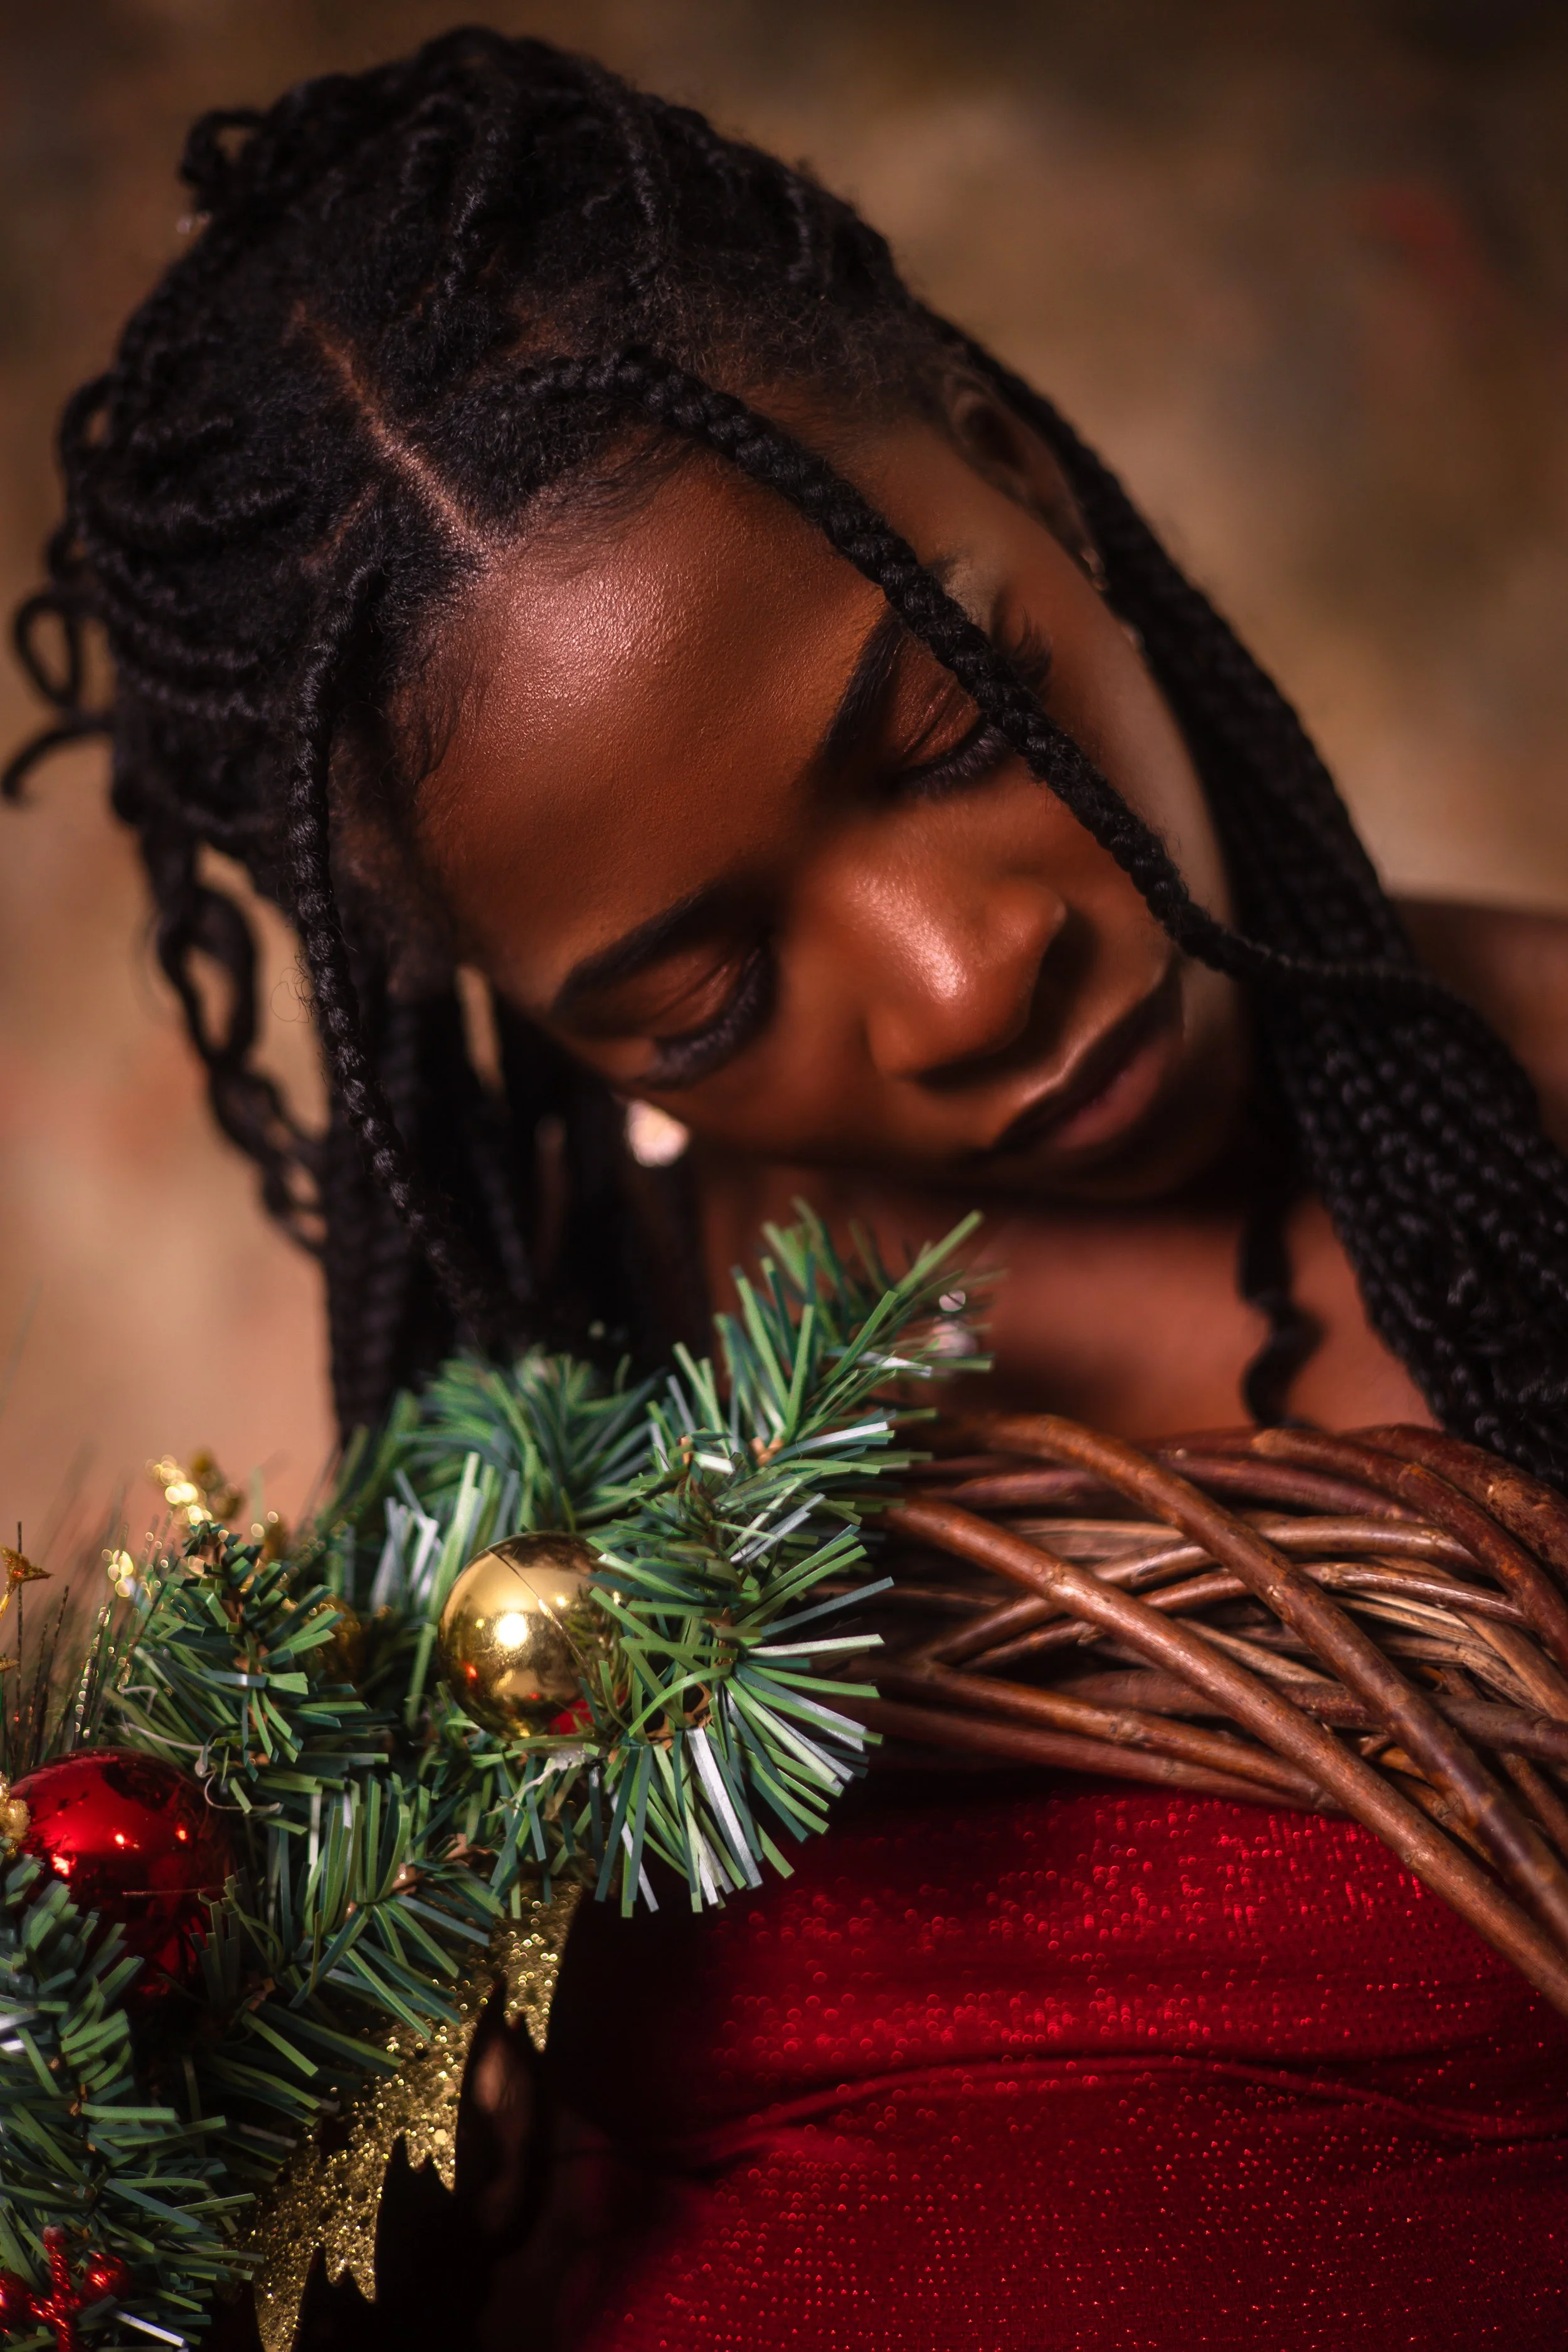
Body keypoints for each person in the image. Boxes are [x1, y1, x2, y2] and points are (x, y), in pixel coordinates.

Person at [10, 29, 1568, 2348]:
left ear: (1025, 468)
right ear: (530, 1045)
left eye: (953, 724)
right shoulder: (541, 1483)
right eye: (705, 1003)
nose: (965, 977)